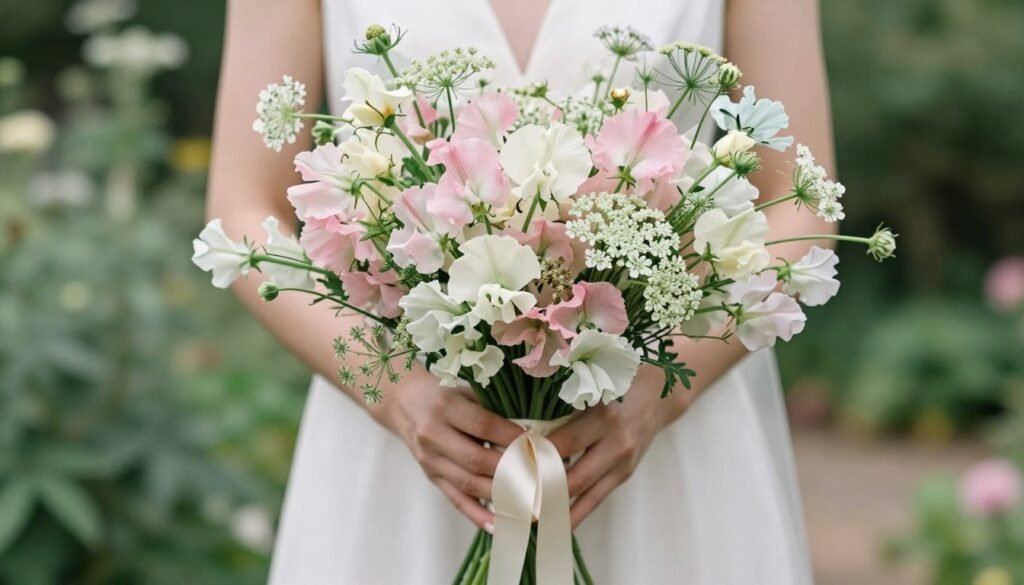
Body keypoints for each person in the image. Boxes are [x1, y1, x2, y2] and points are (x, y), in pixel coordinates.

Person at [207, 0, 836, 582]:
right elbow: (241, 209)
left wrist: (658, 394)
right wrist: (395, 390)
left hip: (665, 445)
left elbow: (802, 211)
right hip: (407, 449)